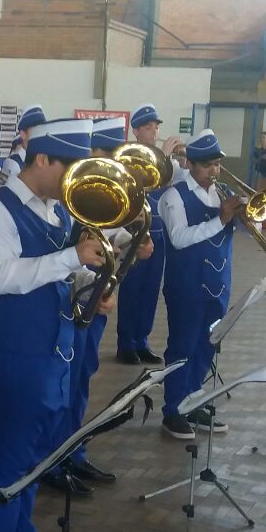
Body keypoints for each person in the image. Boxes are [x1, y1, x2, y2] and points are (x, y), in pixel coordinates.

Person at [0, 118, 106, 532]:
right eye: (70, 170)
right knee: (9, 462)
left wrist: (91, 283)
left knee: (34, 461)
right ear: (42, 158)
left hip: (52, 355)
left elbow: (54, 276)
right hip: (15, 356)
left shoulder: (57, 211)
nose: (75, 182)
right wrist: (73, 259)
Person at [46, 117, 155, 497]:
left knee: (79, 387)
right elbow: (63, 256)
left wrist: (136, 241)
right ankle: (52, 461)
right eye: (105, 153)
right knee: (62, 389)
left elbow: (109, 237)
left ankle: (74, 451)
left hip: (95, 307)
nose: (112, 163)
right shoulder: (67, 201)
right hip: (73, 307)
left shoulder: (98, 196)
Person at [158, 129, 246, 440]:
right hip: (186, 285)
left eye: (217, 165)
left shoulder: (220, 193)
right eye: (208, 165)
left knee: (207, 345)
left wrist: (249, 217)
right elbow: (180, 239)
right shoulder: (174, 196)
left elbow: (248, 231)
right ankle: (173, 409)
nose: (215, 171)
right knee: (182, 345)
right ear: (191, 164)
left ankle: (193, 400)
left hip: (218, 283)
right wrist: (220, 220)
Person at [115, 103, 183, 365]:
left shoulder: (167, 159)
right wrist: (163, 157)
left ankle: (141, 340)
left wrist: (186, 161)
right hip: (135, 232)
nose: (154, 133)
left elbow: (178, 180)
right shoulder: (130, 157)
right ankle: (125, 343)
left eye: (156, 128)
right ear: (136, 132)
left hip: (159, 232)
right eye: (148, 128)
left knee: (151, 290)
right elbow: (147, 185)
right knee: (132, 287)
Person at [3, 104, 45, 182]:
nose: (39, 135)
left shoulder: (40, 159)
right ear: (23, 134)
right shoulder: (14, 163)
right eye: (35, 131)